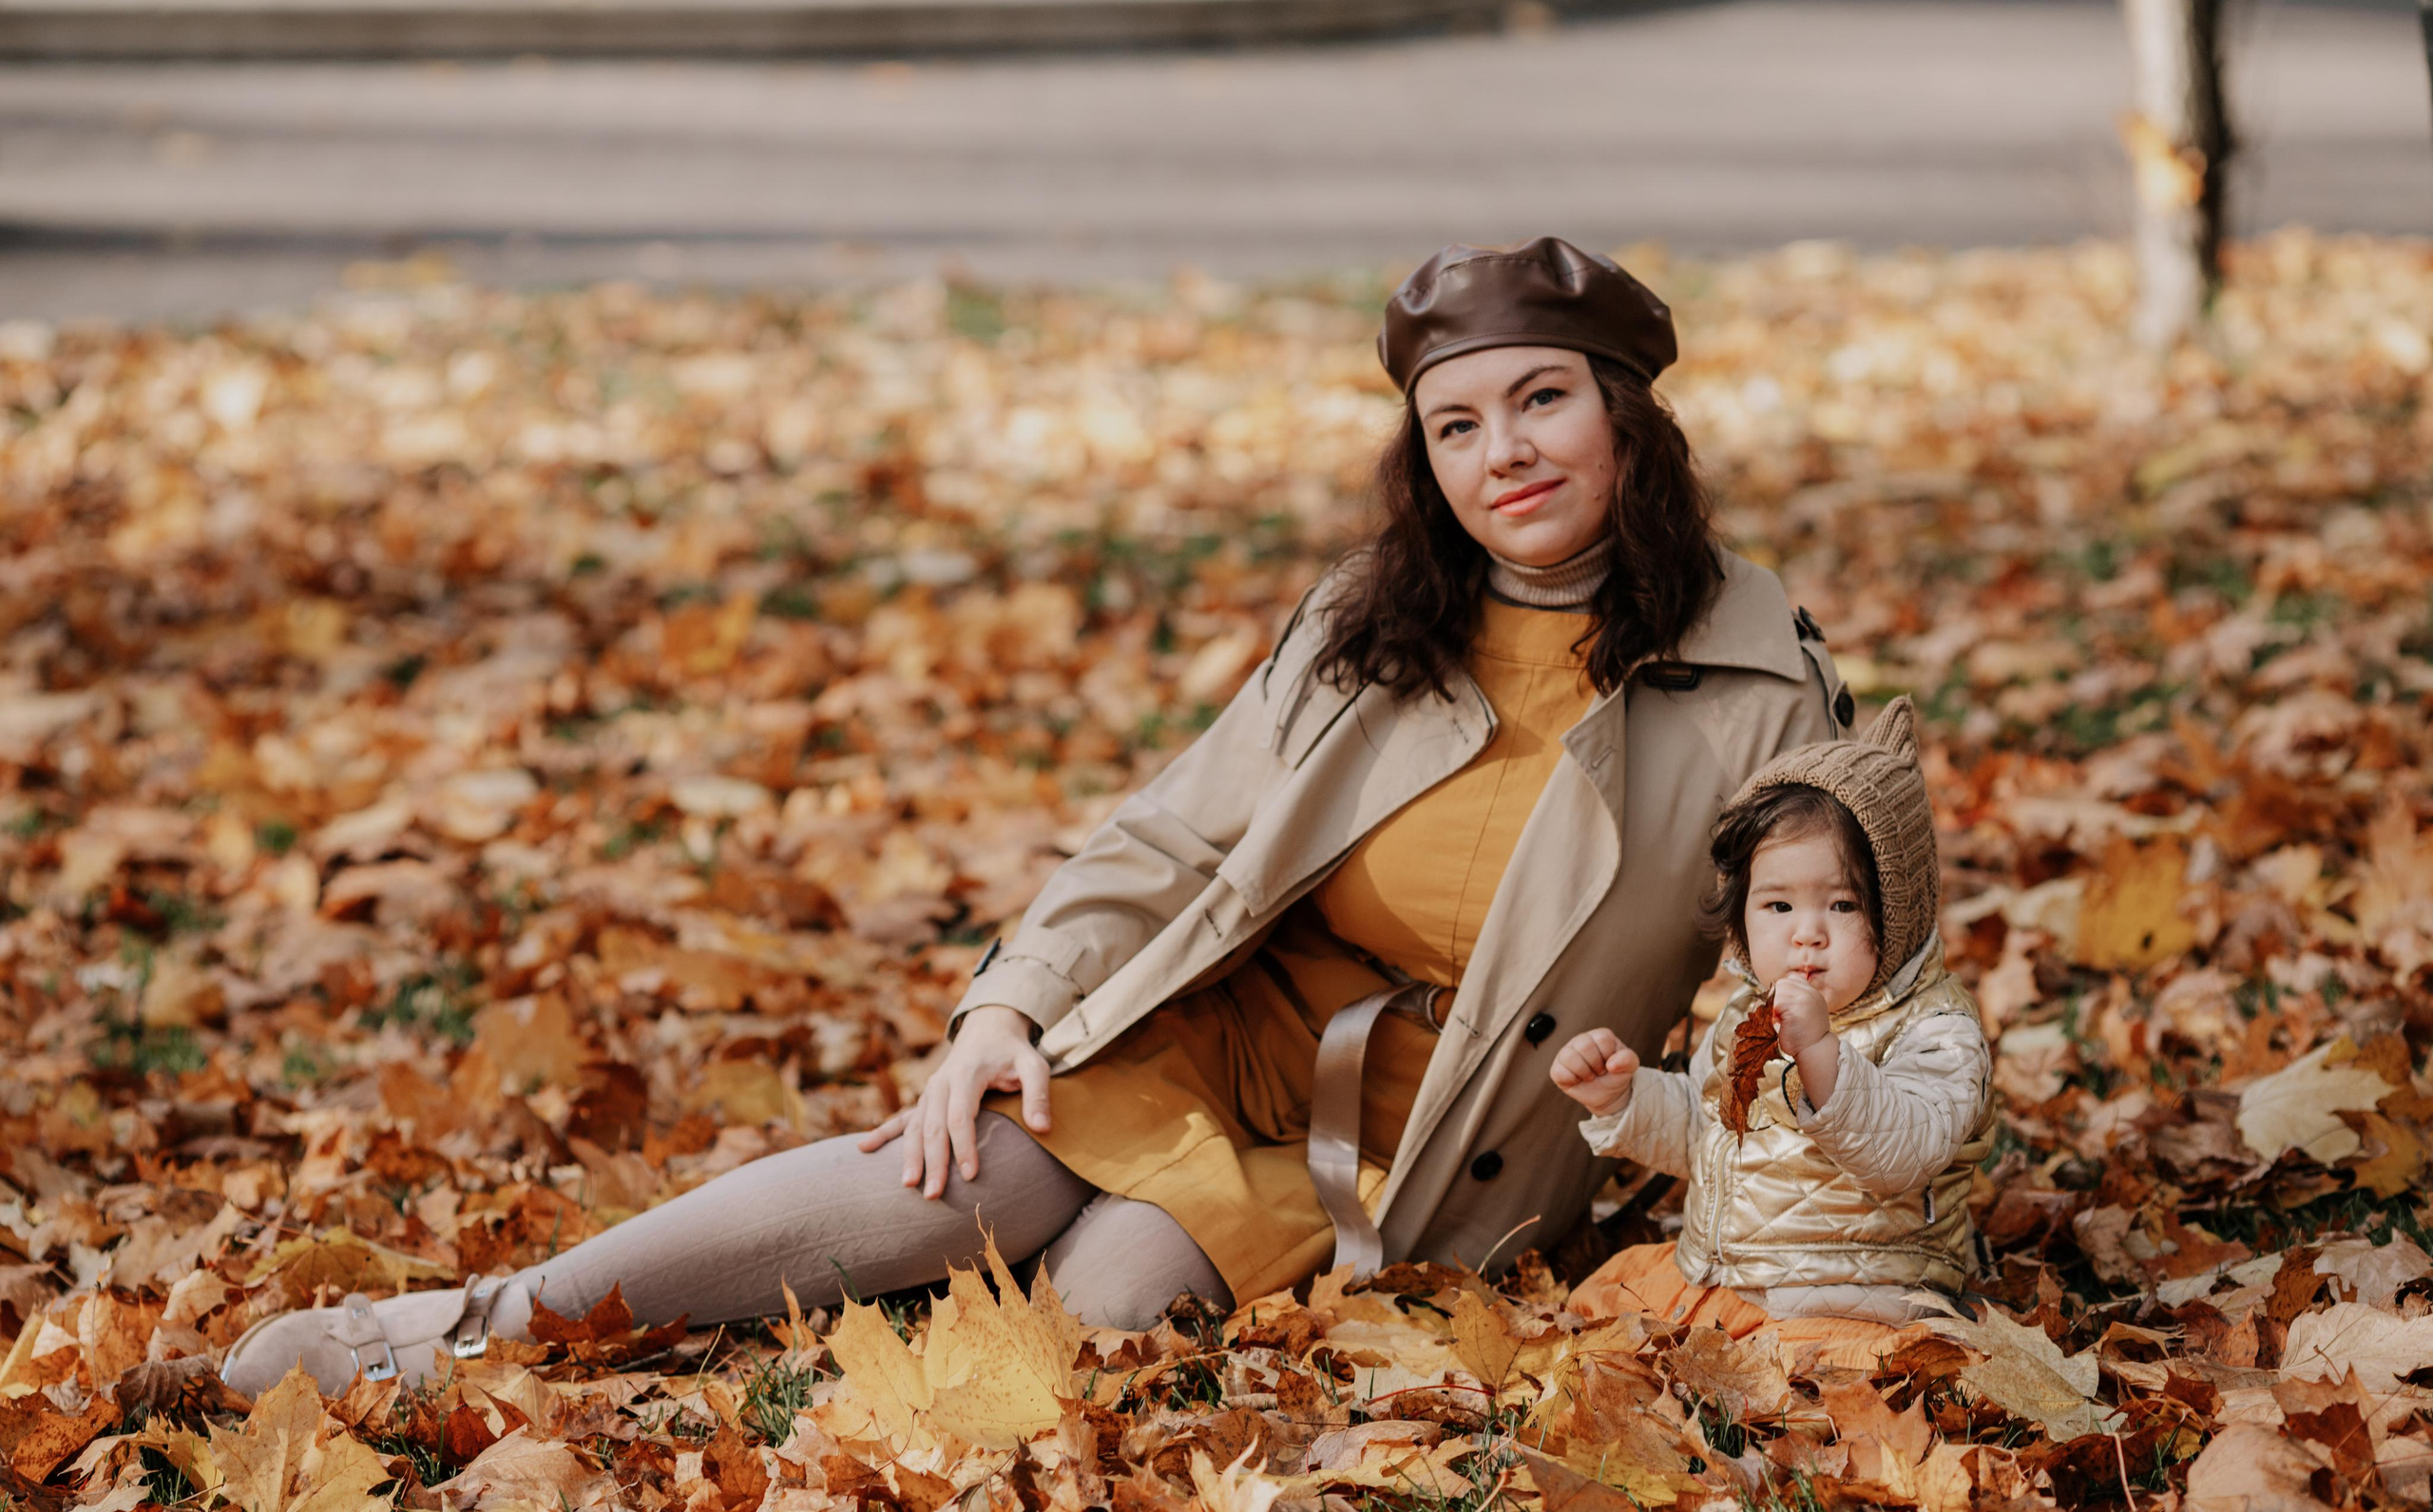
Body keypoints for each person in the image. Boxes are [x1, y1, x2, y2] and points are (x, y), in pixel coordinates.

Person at [221, 237, 1851, 1398]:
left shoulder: (1751, 673)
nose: (1505, 453)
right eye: (1457, 425)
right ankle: (458, 1332)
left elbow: (1834, 955)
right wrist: (1005, 1002)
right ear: (1421, 460)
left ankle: (803, 1389)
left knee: (1097, 1317)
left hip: (1447, 1128)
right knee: (967, 1170)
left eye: (1543, 401)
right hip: (1235, 1022)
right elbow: (1172, 840)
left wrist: (1812, 1147)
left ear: (1627, 415)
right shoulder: (1379, 613)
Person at [1554, 697, 1992, 1364]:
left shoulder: (1936, 1026)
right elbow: (1709, 1127)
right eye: (1778, 904)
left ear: (1898, 913)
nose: (1806, 931)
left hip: (1864, 1296)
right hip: (1733, 1278)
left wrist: (1821, 1052)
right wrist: (1623, 1096)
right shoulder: (1747, 1015)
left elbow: (1905, 1150)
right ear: (1742, 915)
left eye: (1842, 904)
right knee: (1606, 1302)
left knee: (1833, 1370)